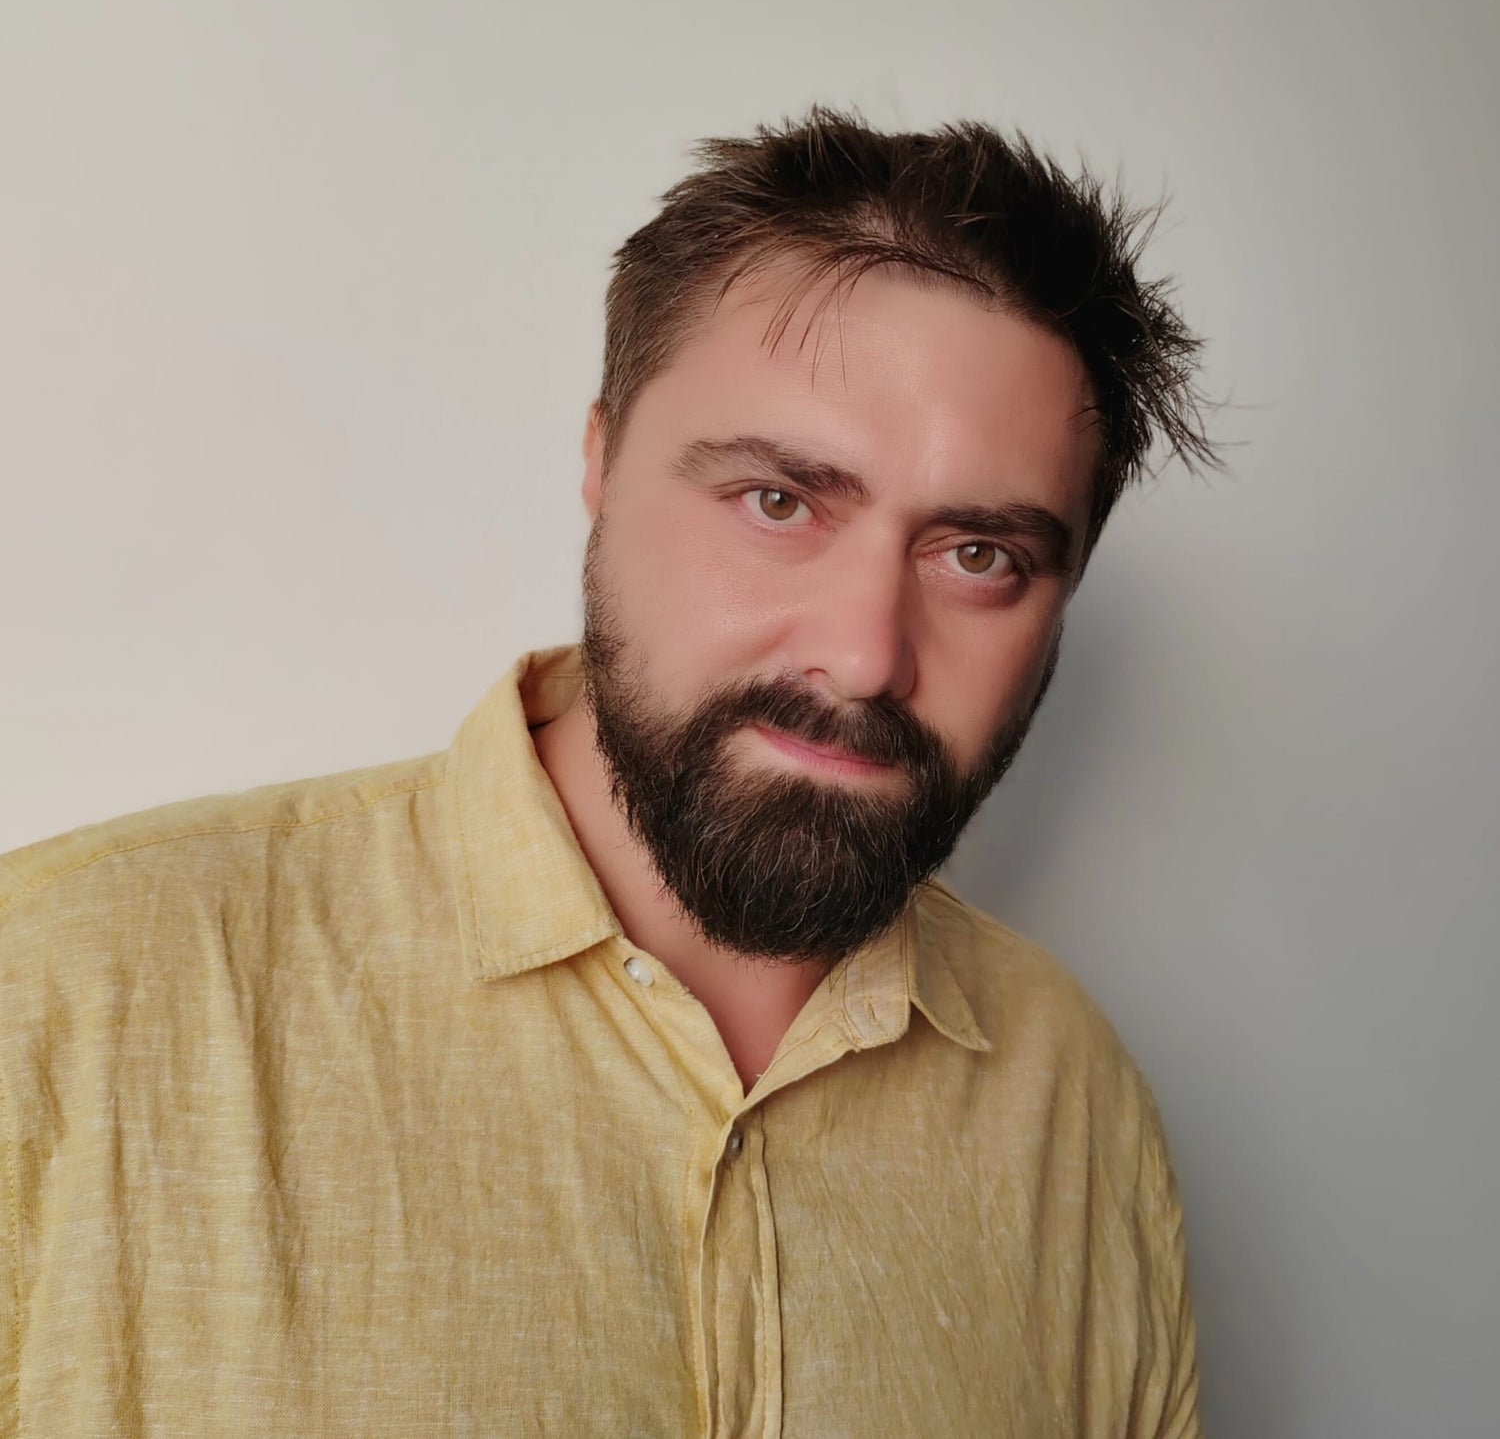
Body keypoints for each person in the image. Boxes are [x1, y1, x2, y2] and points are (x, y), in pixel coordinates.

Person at [0, 107, 1216, 1437]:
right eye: (779, 501)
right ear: (601, 459)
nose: (866, 656)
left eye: (980, 555)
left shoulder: (1074, 1101)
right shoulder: (61, 998)